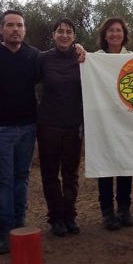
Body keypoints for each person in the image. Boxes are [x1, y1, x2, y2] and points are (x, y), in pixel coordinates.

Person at [0, 10, 39, 254]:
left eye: (20, 25)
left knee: (22, 177)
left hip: (28, 126)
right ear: (1, 29)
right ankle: (4, 232)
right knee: (4, 180)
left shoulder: (34, 55)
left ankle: (19, 226)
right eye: (11, 25)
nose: (16, 29)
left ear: (25, 30)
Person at [37, 19, 85, 237]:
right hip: (48, 125)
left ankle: (70, 215)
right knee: (49, 174)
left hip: (73, 125)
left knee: (71, 174)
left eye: (68, 32)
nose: (64, 35)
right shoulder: (43, 58)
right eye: (60, 31)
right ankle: (55, 217)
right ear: (53, 35)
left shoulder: (82, 58)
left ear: (74, 36)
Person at [95, 17, 133, 230]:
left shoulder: (132, 58)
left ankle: (124, 209)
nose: (115, 34)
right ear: (104, 35)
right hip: (103, 121)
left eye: (118, 30)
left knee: (125, 164)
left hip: (126, 121)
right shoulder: (95, 59)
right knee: (105, 167)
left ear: (124, 34)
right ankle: (107, 212)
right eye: (110, 30)